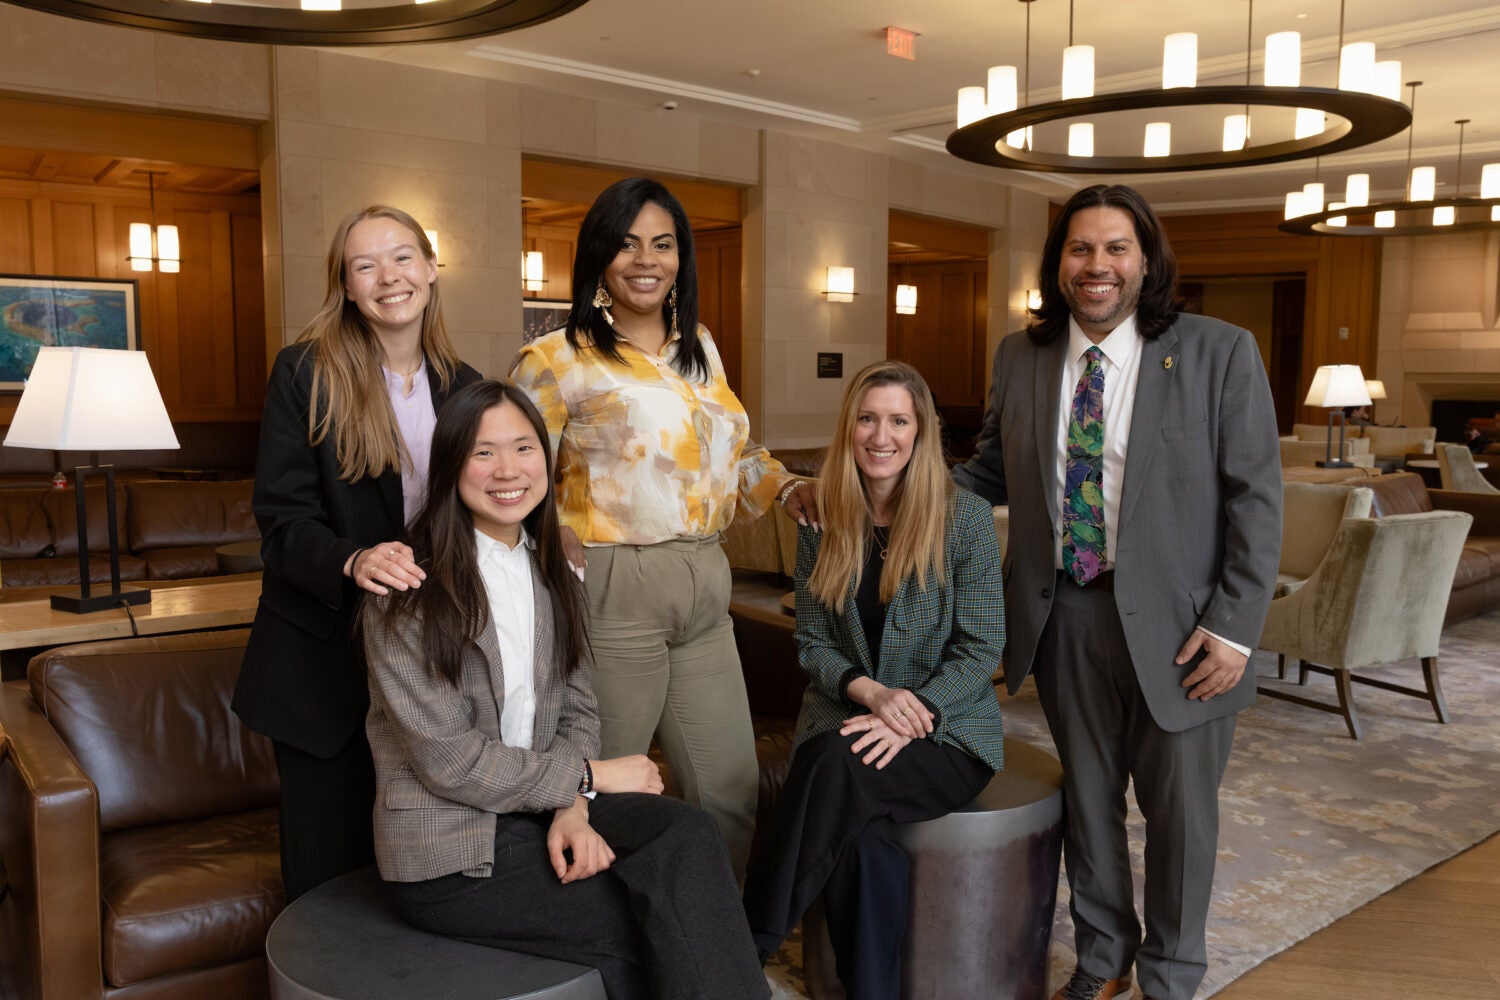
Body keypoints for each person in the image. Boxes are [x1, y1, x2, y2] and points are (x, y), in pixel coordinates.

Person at [953, 184, 1281, 1000]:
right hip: (1062, 614)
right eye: (1080, 249)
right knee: (1090, 805)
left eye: (1115, 248)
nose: (1096, 266)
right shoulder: (1020, 356)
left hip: (1186, 632)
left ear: (1145, 260)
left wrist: (1235, 629)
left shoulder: (1219, 351)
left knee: (1180, 817)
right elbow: (989, 470)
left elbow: (1256, 499)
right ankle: (1104, 958)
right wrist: (888, 486)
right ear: (1058, 263)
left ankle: (1170, 977)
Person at [361, 379, 768, 1000]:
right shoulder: (408, 588)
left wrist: (572, 808)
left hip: (537, 812)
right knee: (653, 921)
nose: (508, 470)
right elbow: (452, 763)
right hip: (453, 850)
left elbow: (578, 705)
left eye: (524, 448)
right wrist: (590, 779)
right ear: (450, 466)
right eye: (483, 452)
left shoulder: (556, 566)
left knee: (687, 835)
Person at [510, 177, 814, 875]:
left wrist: (794, 486)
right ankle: (603, 956)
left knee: (728, 790)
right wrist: (548, 536)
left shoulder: (699, 348)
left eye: (663, 243)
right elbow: (511, 478)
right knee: (600, 795)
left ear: (682, 257)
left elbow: (732, 458)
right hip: (617, 588)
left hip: (707, 579)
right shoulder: (555, 359)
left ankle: (716, 954)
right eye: (626, 243)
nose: (646, 259)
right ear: (599, 257)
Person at [233, 206, 481, 901]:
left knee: (422, 874)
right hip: (323, 668)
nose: (387, 276)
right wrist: (353, 560)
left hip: (429, 665)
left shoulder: (465, 387)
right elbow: (281, 526)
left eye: (402, 257)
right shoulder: (303, 373)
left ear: (432, 269)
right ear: (345, 285)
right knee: (330, 881)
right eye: (364, 264)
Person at [742, 360, 1005, 1000]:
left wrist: (911, 709)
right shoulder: (821, 516)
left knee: (835, 767)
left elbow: (982, 646)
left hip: (946, 733)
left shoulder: (963, 518)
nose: (880, 436)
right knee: (862, 836)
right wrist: (872, 695)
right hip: (848, 712)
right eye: (867, 419)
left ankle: (745, 943)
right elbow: (813, 639)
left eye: (897, 420)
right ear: (848, 428)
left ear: (921, 432)